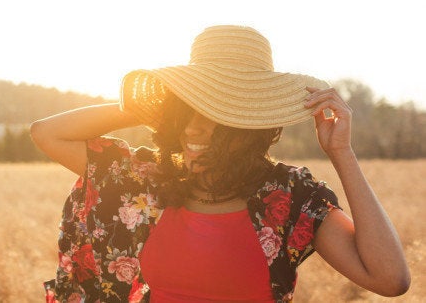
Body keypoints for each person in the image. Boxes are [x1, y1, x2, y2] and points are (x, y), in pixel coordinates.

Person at [30, 25, 410, 303]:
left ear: (248, 127)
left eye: (217, 114)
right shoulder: (143, 180)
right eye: (189, 110)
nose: (195, 127)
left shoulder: (290, 198)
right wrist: (152, 107)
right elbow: (47, 133)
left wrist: (342, 154)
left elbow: (390, 279)